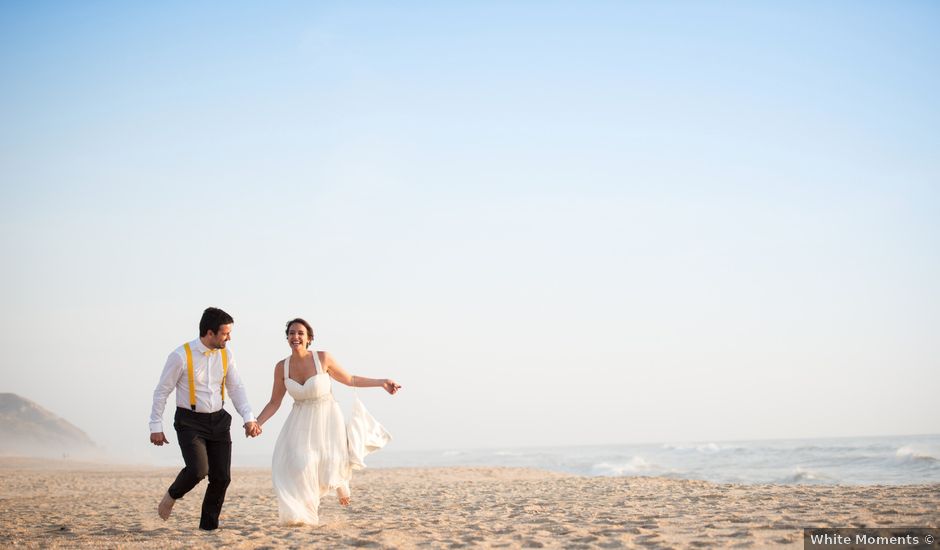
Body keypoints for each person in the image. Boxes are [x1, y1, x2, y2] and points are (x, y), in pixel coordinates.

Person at [255, 317, 401, 525]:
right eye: (291, 333)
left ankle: (340, 482)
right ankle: (305, 515)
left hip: (327, 419)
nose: (295, 337)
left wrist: (381, 382)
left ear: (309, 338)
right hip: (299, 423)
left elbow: (350, 379)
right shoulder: (282, 367)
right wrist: (257, 422)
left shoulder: (322, 358)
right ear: (287, 337)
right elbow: (274, 402)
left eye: (300, 333)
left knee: (327, 460)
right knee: (299, 465)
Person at [149, 307, 261, 530]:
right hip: (189, 421)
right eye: (225, 333)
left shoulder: (226, 354)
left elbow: (236, 388)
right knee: (198, 470)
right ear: (209, 333)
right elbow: (162, 391)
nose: (229, 338)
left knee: (221, 478)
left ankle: (208, 528)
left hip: (218, 420)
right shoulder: (180, 356)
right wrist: (156, 425)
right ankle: (172, 495)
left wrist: (248, 418)